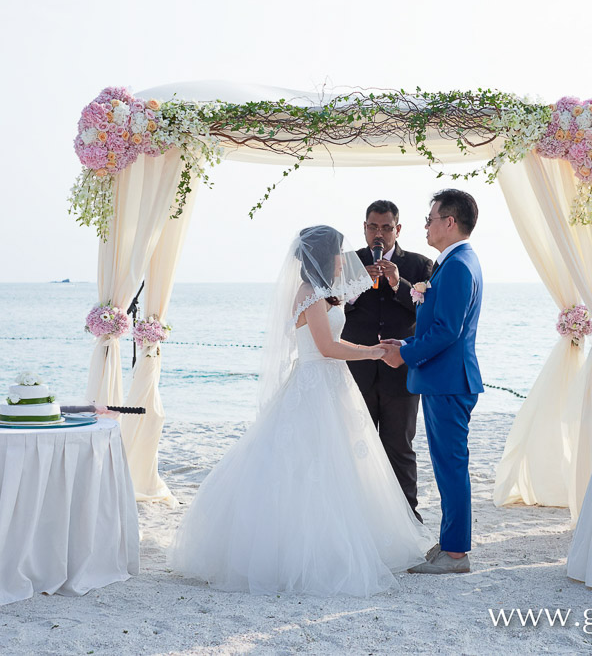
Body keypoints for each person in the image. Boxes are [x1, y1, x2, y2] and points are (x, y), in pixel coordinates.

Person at [169, 226, 432, 596]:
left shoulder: (324, 293)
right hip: (316, 384)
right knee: (311, 467)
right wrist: (374, 352)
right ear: (327, 257)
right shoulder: (310, 294)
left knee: (341, 465)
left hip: (331, 385)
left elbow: (334, 341)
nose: (346, 259)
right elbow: (327, 348)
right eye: (340, 253)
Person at [380, 189, 483, 574]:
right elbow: (441, 327)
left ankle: (456, 553)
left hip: (449, 380)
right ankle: (451, 542)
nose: (426, 225)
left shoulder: (457, 265)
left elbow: (447, 332)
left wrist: (403, 355)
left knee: (451, 464)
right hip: (445, 378)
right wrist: (404, 342)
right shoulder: (453, 261)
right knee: (446, 463)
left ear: (449, 222)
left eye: (430, 218)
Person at [343, 200, 433, 522]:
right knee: (356, 448)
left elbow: (427, 314)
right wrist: (356, 286)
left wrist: (398, 284)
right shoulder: (347, 262)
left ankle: (408, 520)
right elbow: (332, 307)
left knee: (399, 447)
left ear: (397, 229)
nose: (377, 234)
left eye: (385, 227)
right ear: (364, 227)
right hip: (357, 371)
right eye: (372, 227)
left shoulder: (420, 265)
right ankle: (359, 519)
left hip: (401, 372)